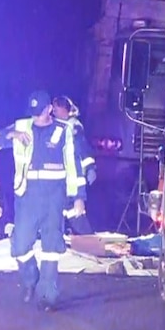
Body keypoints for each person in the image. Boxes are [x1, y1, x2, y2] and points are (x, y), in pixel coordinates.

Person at [0, 90, 85, 311]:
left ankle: (48, 295)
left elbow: (74, 166)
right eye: (32, 113)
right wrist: (11, 135)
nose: (35, 118)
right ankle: (30, 279)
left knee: (52, 246)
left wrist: (78, 197)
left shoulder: (64, 131)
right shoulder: (21, 126)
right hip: (27, 196)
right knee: (20, 244)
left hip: (54, 197)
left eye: (39, 113)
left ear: (49, 109)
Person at [52, 95, 95, 235]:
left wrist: (90, 168)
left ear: (65, 110)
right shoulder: (58, 126)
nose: (55, 114)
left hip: (73, 181)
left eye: (57, 111)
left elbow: (82, 151)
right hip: (62, 181)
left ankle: (89, 243)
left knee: (75, 215)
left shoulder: (73, 127)